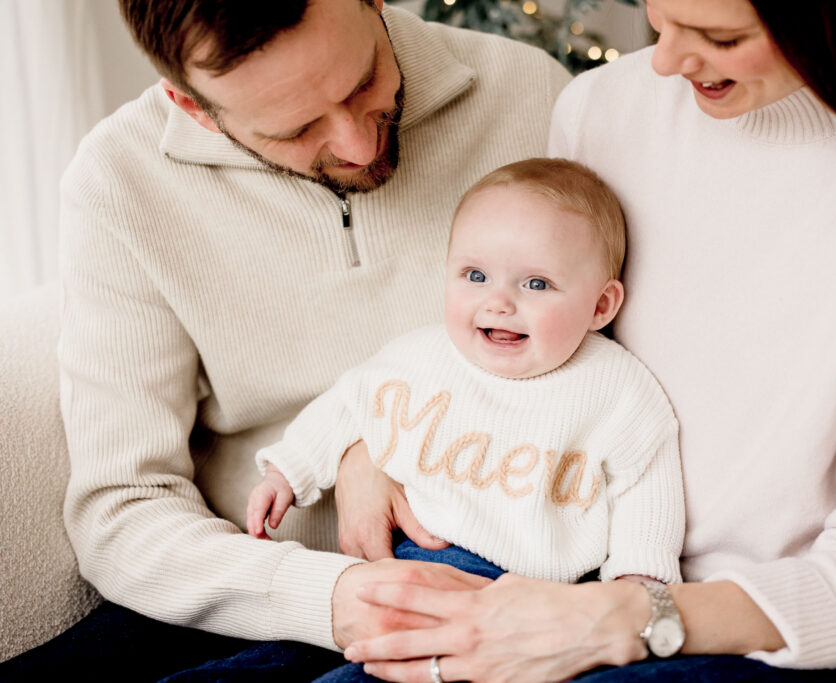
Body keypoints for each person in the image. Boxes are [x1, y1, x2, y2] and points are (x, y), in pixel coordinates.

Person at [333, 1, 836, 681]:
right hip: (590, 586)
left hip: (801, 632)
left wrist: (619, 616)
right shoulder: (604, 108)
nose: (664, 62)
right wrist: (372, 444)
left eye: (719, 37)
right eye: (660, 17)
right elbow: (546, 360)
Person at [0, 0, 570, 680]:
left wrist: (384, 441)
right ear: (192, 107)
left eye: (365, 79)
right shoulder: (119, 180)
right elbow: (122, 508)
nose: (358, 145)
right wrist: (325, 597)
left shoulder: (531, 95)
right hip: (251, 584)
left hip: (490, 565)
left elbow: (621, 378)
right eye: (296, 129)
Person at [246, 158, 684, 681]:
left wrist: (638, 579)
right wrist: (288, 471)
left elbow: (645, 484)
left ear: (601, 305)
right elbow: (348, 404)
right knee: (270, 659)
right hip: (407, 562)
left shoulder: (617, 389)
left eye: (537, 284)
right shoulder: (421, 357)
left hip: (539, 596)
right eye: (475, 276)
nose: (498, 302)